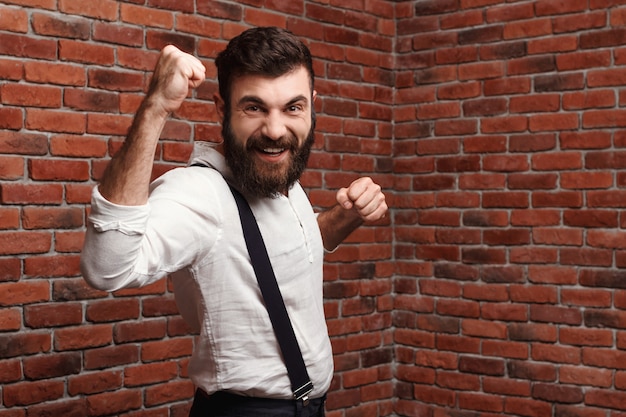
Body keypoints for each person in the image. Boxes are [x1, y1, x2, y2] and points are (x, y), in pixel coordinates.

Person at [80, 26, 387, 417]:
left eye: (292, 108)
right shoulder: (199, 193)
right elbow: (106, 267)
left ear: (312, 105)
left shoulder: (278, 175)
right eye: (254, 108)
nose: (275, 130)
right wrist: (156, 107)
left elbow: (285, 244)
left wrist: (347, 216)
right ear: (223, 109)